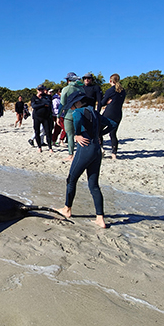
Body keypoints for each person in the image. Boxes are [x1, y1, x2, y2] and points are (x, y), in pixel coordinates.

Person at [56, 93, 117, 228]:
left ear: (77, 103)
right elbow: (113, 124)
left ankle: (67, 209)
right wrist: (99, 134)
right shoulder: (95, 113)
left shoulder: (78, 111)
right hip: (97, 150)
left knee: (71, 179)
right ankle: (100, 218)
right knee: (94, 185)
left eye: (72, 105)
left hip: (85, 149)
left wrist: (77, 134)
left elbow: (77, 118)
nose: (71, 108)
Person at [60, 72, 85, 161]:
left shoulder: (66, 89)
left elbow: (62, 103)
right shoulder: (82, 89)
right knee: (80, 134)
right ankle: (80, 154)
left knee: (70, 135)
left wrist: (59, 115)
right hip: (80, 113)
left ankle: (71, 155)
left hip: (69, 114)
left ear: (68, 80)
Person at [101, 74, 127, 159]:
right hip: (118, 113)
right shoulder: (123, 91)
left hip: (109, 112)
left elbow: (102, 103)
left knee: (98, 130)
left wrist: (106, 102)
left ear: (110, 80)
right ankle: (114, 153)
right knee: (113, 133)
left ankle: (101, 148)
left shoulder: (110, 90)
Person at [30, 85, 54, 153]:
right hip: (36, 117)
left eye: (42, 89)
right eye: (40, 89)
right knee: (37, 132)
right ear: (37, 90)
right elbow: (34, 106)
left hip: (45, 117)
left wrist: (40, 104)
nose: (41, 91)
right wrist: (43, 105)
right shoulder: (34, 97)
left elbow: (48, 103)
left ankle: (50, 147)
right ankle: (39, 147)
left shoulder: (46, 96)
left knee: (48, 132)